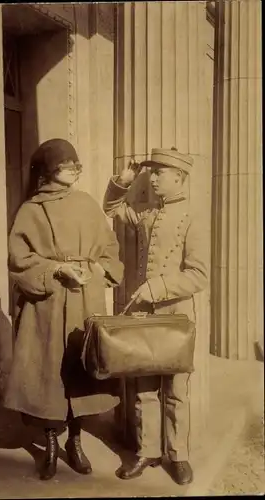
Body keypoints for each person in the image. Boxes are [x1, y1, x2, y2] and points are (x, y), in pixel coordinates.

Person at [4, 138, 124, 480]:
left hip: (85, 298)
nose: (75, 170)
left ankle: (75, 440)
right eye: (68, 165)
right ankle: (51, 442)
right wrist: (56, 269)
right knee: (48, 373)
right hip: (48, 303)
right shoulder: (30, 210)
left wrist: (100, 269)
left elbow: (109, 247)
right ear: (49, 171)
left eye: (77, 165)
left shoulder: (86, 204)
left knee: (82, 370)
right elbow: (19, 259)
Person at [103, 147, 208, 485]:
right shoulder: (148, 213)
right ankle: (147, 450)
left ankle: (178, 455)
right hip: (146, 316)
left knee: (176, 388)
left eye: (160, 172)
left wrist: (157, 287)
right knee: (144, 386)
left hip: (176, 315)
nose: (153, 178)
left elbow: (199, 275)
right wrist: (124, 179)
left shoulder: (194, 217)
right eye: (152, 172)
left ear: (179, 177)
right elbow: (112, 208)